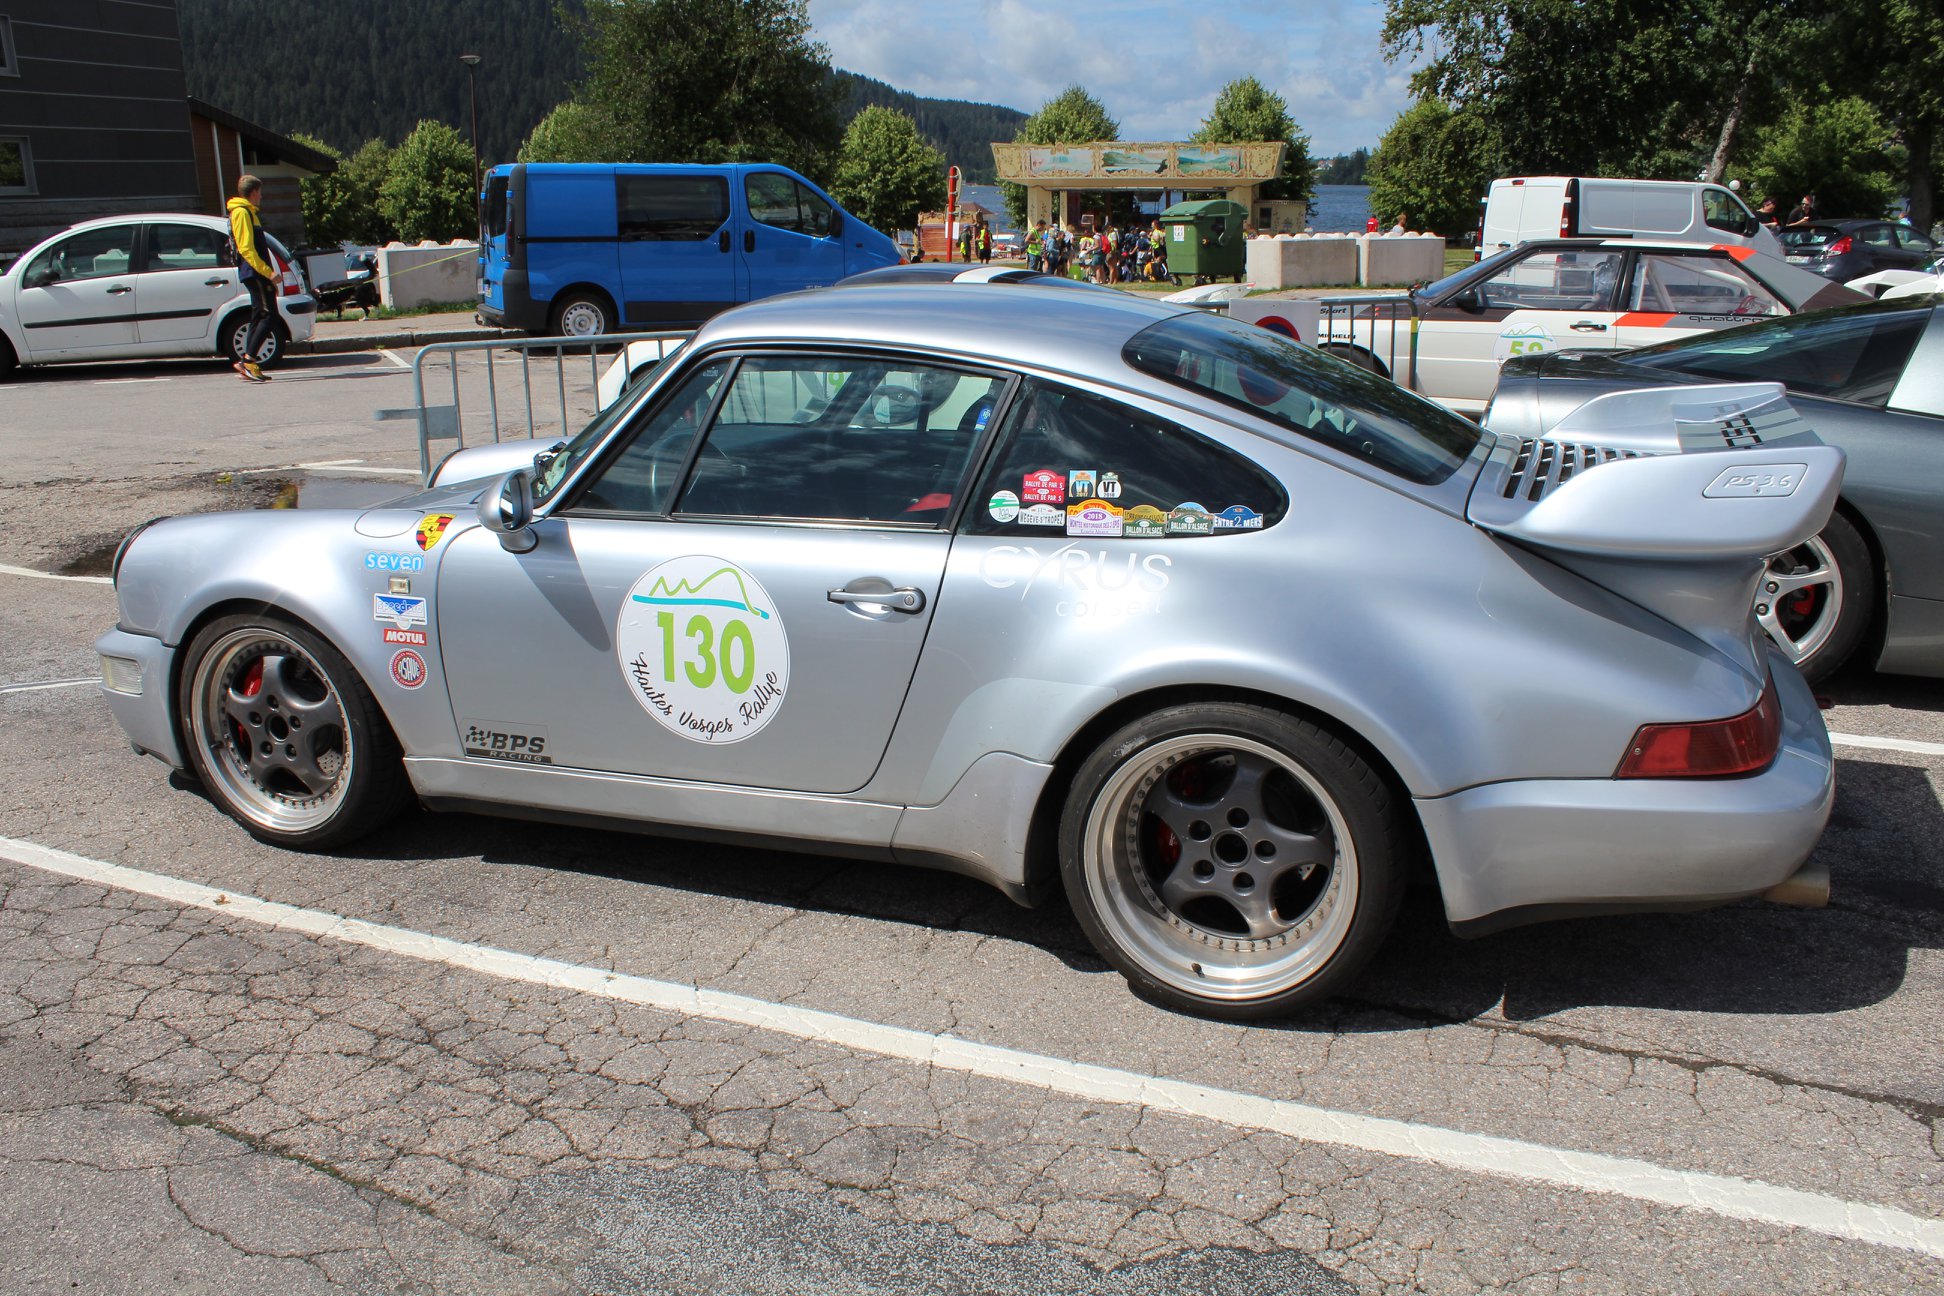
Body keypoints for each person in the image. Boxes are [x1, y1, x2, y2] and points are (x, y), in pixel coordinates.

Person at [226, 174, 277, 383]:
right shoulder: (241, 212)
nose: (261, 197)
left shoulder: (249, 212)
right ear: (254, 192)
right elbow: (246, 248)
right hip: (254, 272)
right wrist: (268, 272)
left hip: (256, 272)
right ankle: (248, 361)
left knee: (259, 315)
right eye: (260, 192)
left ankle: (247, 362)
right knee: (269, 316)